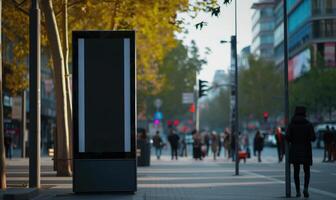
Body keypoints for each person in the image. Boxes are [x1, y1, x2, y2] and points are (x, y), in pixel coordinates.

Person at [286, 106, 316, 198]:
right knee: (307, 170)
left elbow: (287, 137)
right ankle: (306, 188)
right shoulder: (308, 124)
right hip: (306, 149)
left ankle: (298, 191)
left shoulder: (291, 124)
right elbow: (313, 138)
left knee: (296, 171)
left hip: (295, 149)